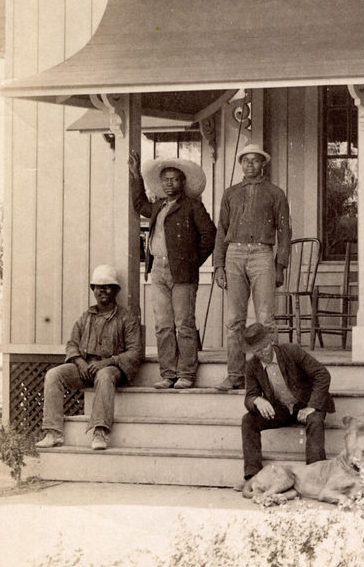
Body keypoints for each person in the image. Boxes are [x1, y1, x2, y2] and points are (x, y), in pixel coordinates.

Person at [130, 151, 216, 390]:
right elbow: (139, 204)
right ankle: (168, 374)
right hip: (158, 269)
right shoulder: (158, 205)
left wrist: (192, 261)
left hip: (182, 272)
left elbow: (210, 235)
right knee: (163, 325)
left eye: (174, 179)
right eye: (165, 179)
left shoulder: (192, 206)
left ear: (183, 182)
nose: (169, 183)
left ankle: (186, 374)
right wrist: (135, 176)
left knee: (183, 323)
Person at [35, 266, 142, 452]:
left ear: (115, 290)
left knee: (104, 375)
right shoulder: (86, 317)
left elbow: (135, 352)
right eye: (98, 287)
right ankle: (53, 432)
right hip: (86, 368)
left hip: (112, 369)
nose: (103, 291)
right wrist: (80, 362)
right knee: (54, 375)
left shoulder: (126, 318)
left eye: (107, 287)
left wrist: (107, 362)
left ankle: (100, 432)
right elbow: (72, 344)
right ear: (93, 290)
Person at [212, 145, 292, 392]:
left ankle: (272, 377)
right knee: (234, 319)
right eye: (245, 160)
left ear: (263, 164)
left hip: (262, 254)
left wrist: (280, 264)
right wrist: (218, 264)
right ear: (240, 163)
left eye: (255, 160)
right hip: (234, 253)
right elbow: (222, 229)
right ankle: (235, 375)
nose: (250, 164)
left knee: (265, 319)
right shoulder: (230, 193)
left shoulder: (275, 193)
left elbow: (284, 231)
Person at [236, 322, 334, 496]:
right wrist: (257, 400)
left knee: (315, 420)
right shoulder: (252, 366)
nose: (264, 352)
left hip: (306, 404)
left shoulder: (291, 351)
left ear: (271, 341)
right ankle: (253, 477)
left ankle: (316, 476)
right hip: (280, 409)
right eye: (258, 350)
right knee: (248, 420)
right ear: (252, 352)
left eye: (265, 346)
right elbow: (249, 396)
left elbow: (322, 374)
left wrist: (312, 406)